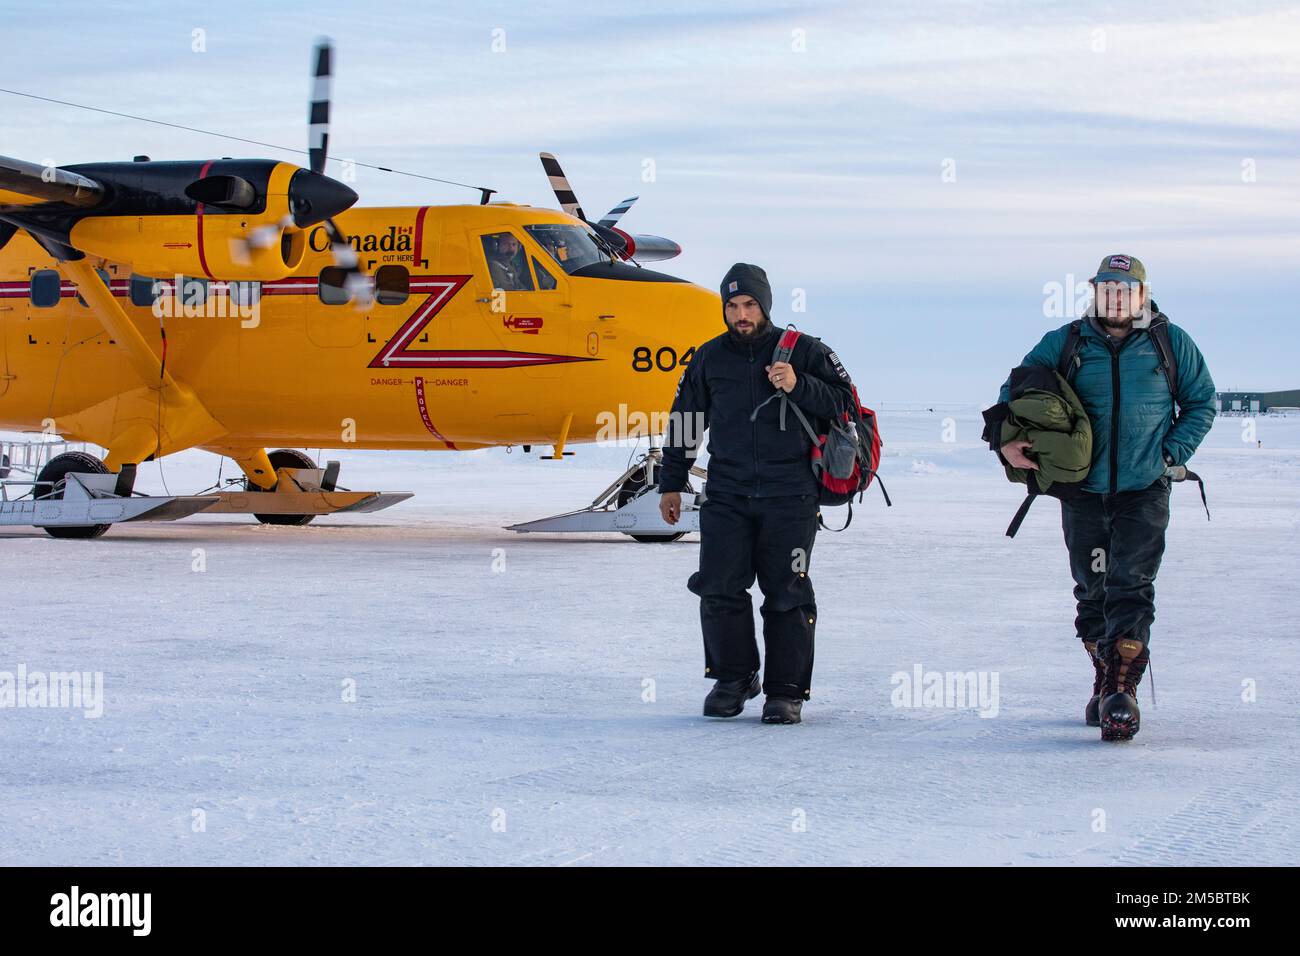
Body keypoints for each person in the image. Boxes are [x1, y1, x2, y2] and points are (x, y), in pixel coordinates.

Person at [984, 254, 1215, 740]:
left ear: (1141, 294)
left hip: (1144, 489)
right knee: (1092, 589)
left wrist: (1171, 451)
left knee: (1131, 585)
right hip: (1083, 491)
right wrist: (1008, 440)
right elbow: (1016, 390)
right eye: (1105, 287)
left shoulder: (1169, 343)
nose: (1114, 296)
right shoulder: (1066, 342)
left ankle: (1121, 693)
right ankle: (1105, 675)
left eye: (1124, 288)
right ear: (1095, 292)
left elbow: (1201, 402)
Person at [658, 263, 855, 724]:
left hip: (791, 496)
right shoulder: (709, 357)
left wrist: (798, 383)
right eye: (732, 306)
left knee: (786, 591)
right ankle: (734, 678)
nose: (741, 314)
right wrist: (672, 481)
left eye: (749, 305)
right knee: (719, 587)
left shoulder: (805, 351)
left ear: (765, 305)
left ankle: (785, 692)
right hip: (727, 493)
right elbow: (686, 420)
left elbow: (844, 406)